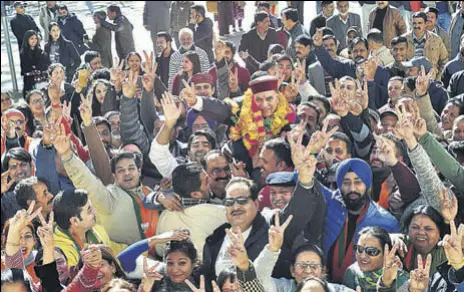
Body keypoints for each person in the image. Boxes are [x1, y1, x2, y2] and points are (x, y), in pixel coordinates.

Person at [52, 189, 127, 268]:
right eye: (89, 210)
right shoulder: (61, 253)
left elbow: (118, 250)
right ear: (74, 221)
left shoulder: (98, 230)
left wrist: (140, 250)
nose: (95, 211)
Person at [343, 226, 409, 290]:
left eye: (371, 251)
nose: (362, 256)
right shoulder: (352, 272)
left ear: (387, 254)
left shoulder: (403, 280)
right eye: (360, 249)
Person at [403, 11, 449, 80]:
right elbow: (399, 61)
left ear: (426, 24)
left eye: (420, 23)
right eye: (414, 23)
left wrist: (438, 78)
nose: (416, 26)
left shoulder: (436, 39)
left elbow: (444, 60)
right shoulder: (403, 40)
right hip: (411, 82)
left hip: (431, 81)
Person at [20, 30, 50, 96]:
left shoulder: (41, 52)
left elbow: (46, 65)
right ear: (27, 40)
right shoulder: (24, 53)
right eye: (32, 39)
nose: (34, 40)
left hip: (42, 80)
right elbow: (25, 68)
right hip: (30, 82)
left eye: (35, 38)